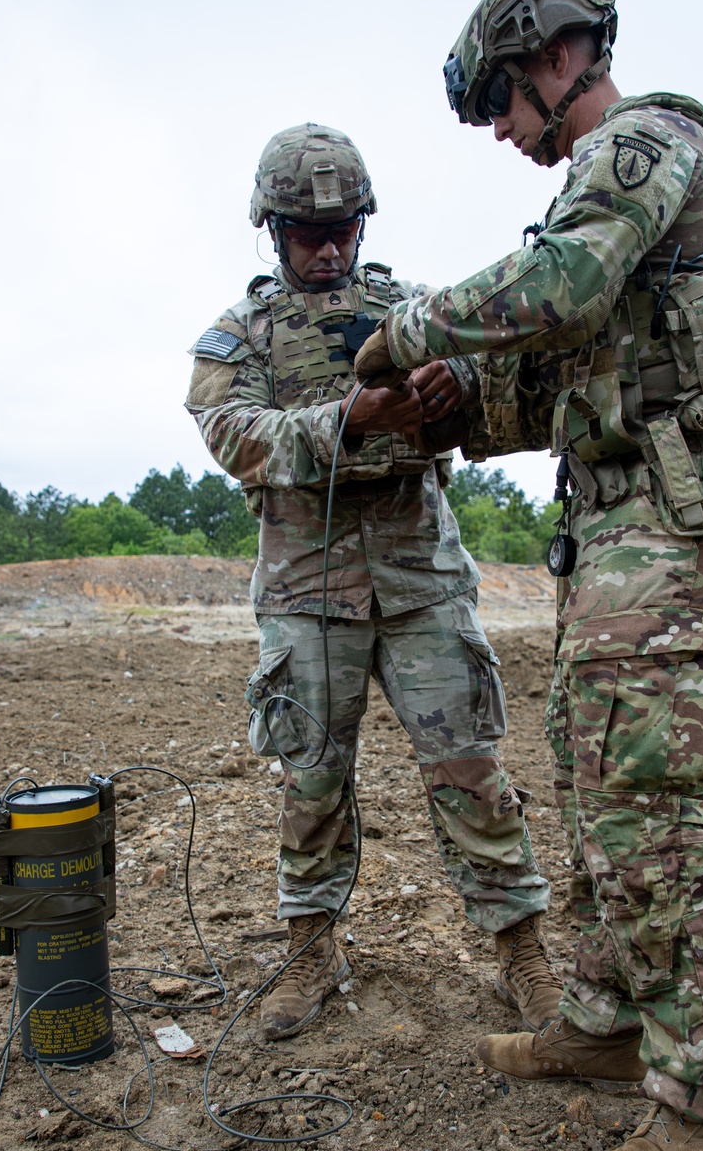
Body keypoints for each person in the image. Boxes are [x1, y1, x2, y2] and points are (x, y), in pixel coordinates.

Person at [354, 0, 703, 1151]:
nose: (502, 133)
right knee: (590, 777)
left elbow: (556, 289)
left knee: (646, 812)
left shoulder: (639, 146)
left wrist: (413, 331)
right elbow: (581, 373)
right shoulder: (610, 193)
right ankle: (607, 1023)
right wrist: (454, 407)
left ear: (555, 58)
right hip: (623, 535)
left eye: (502, 102)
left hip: (670, 540)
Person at [185, 123, 565, 1044]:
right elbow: (230, 432)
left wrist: (452, 396)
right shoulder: (240, 334)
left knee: (471, 771)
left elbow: (497, 391)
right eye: (307, 230)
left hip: (421, 580)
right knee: (312, 779)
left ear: (365, 223)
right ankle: (312, 947)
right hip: (309, 590)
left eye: (343, 227)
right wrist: (348, 419)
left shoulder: (418, 312)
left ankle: (523, 951)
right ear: (270, 230)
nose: (328, 246)